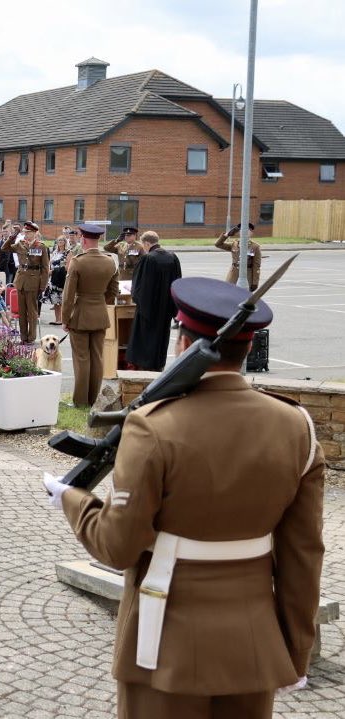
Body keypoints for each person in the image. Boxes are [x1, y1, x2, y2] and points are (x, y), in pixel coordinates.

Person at [44, 277, 324, 719]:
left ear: (183, 342)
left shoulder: (153, 427)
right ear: (248, 349)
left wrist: (72, 500)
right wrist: (296, 651)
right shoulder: (297, 427)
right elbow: (303, 557)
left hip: (164, 643)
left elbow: (118, 547)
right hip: (254, 646)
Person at [61, 224, 119, 406]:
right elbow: (113, 291)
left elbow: (68, 296)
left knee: (82, 359)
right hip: (100, 314)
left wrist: (65, 318)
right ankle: (93, 399)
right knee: (97, 357)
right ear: (99, 239)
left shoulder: (78, 261)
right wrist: (101, 303)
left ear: (83, 239)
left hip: (80, 315)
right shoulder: (110, 261)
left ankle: (80, 401)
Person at [125, 231, 182, 371]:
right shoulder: (172, 258)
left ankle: (145, 368)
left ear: (146, 243)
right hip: (166, 309)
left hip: (148, 310)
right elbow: (177, 283)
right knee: (161, 339)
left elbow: (140, 287)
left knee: (146, 340)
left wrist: (133, 293)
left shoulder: (147, 259)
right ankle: (159, 365)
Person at [13, 221, 50, 344]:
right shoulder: (20, 244)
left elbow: (45, 268)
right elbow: (4, 248)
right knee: (22, 311)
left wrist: (43, 285)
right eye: (25, 232)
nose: (26, 234)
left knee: (32, 312)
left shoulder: (41, 246)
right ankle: (23, 337)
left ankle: (31, 337)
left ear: (35, 233)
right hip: (21, 281)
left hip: (33, 281)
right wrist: (13, 236)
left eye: (28, 232)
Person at [215, 223, 262, 290]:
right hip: (233, 275)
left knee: (243, 296)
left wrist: (255, 282)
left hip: (246, 274)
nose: (244, 232)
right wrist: (227, 235)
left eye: (248, 230)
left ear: (251, 233)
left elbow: (256, 266)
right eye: (242, 230)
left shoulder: (255, 247)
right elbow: (218, 244)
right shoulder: (234, 244)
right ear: (239, 232)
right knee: (229, 294)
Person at [46, 235, 69, 324]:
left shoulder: (68, 252)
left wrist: (54, 271)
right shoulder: (54, 252)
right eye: (59, 240)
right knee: (55, 300)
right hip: (53, 278)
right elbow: (49, 263)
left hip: (62, 278)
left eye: (62, 240)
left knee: (62, 300)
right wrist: (49, 271)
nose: (60, 242)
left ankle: (64, 320)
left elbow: (68, 267)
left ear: (65, 242)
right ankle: (57, 320)